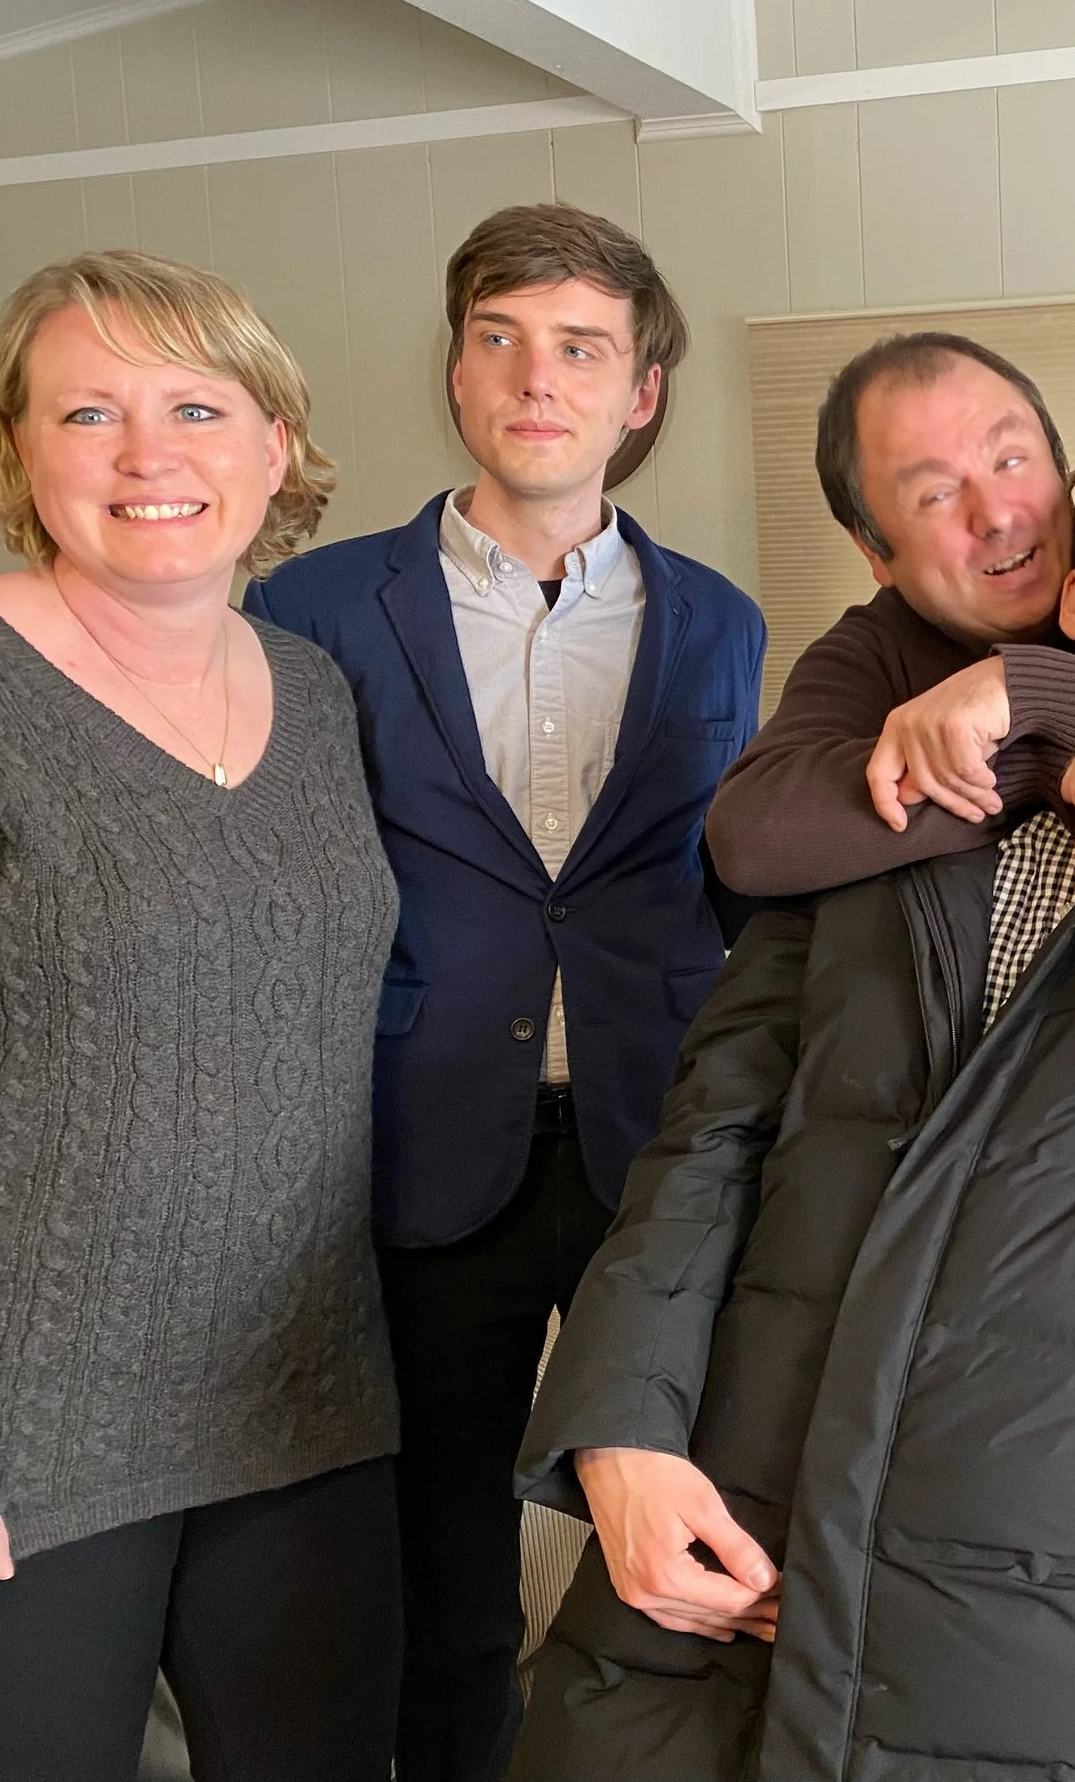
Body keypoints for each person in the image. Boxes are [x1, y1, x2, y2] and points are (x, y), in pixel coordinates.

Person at [505, 405, 1075, 1781]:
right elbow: (710, 1139)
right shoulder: (886, 824)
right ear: (1069, 589)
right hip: (727, 1542)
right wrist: (616, 1429)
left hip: (1049, 1613)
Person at [242, 203, 766, 1782]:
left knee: (679, 1524)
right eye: (502, 340)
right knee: (438, 1567)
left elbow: (725, 880)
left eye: (581, 350)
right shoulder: (316, 611)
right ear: (458, 372)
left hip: (651, 1145)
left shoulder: (721, 622)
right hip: (418, 1144)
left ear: (641, 393)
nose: (539, 379)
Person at [0, 250, 402, 1781]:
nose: (150, 457)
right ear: (15, 449)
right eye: (88, 412)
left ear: (273, 446)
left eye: (197, 406)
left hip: (303, 1413)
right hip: (18, 1443)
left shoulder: (317, 690)